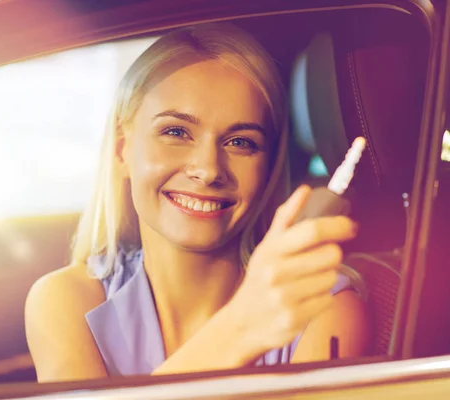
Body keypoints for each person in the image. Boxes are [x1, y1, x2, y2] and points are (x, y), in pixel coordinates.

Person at [25, 22, 372, 382]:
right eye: (176, 132)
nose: (208, 170)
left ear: (268, 167)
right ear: (121, 150)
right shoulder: (64, 300)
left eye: (241, 142)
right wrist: (241, 327)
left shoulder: (325, 309)